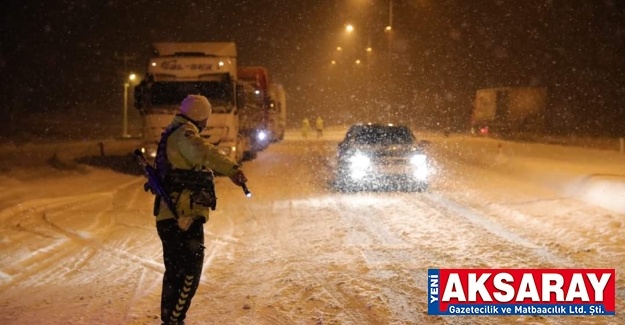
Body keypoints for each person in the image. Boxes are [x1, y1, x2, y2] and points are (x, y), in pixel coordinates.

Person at [153, 94, 247, 325]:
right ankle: (174, 321)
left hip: (172, 215)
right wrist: (232, 169)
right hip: (182, 216)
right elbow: (204, 152)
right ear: (201, 116)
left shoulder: (173, 132)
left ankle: (171, 319)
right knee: (189, 273)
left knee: (176, 272)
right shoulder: (185, 134)